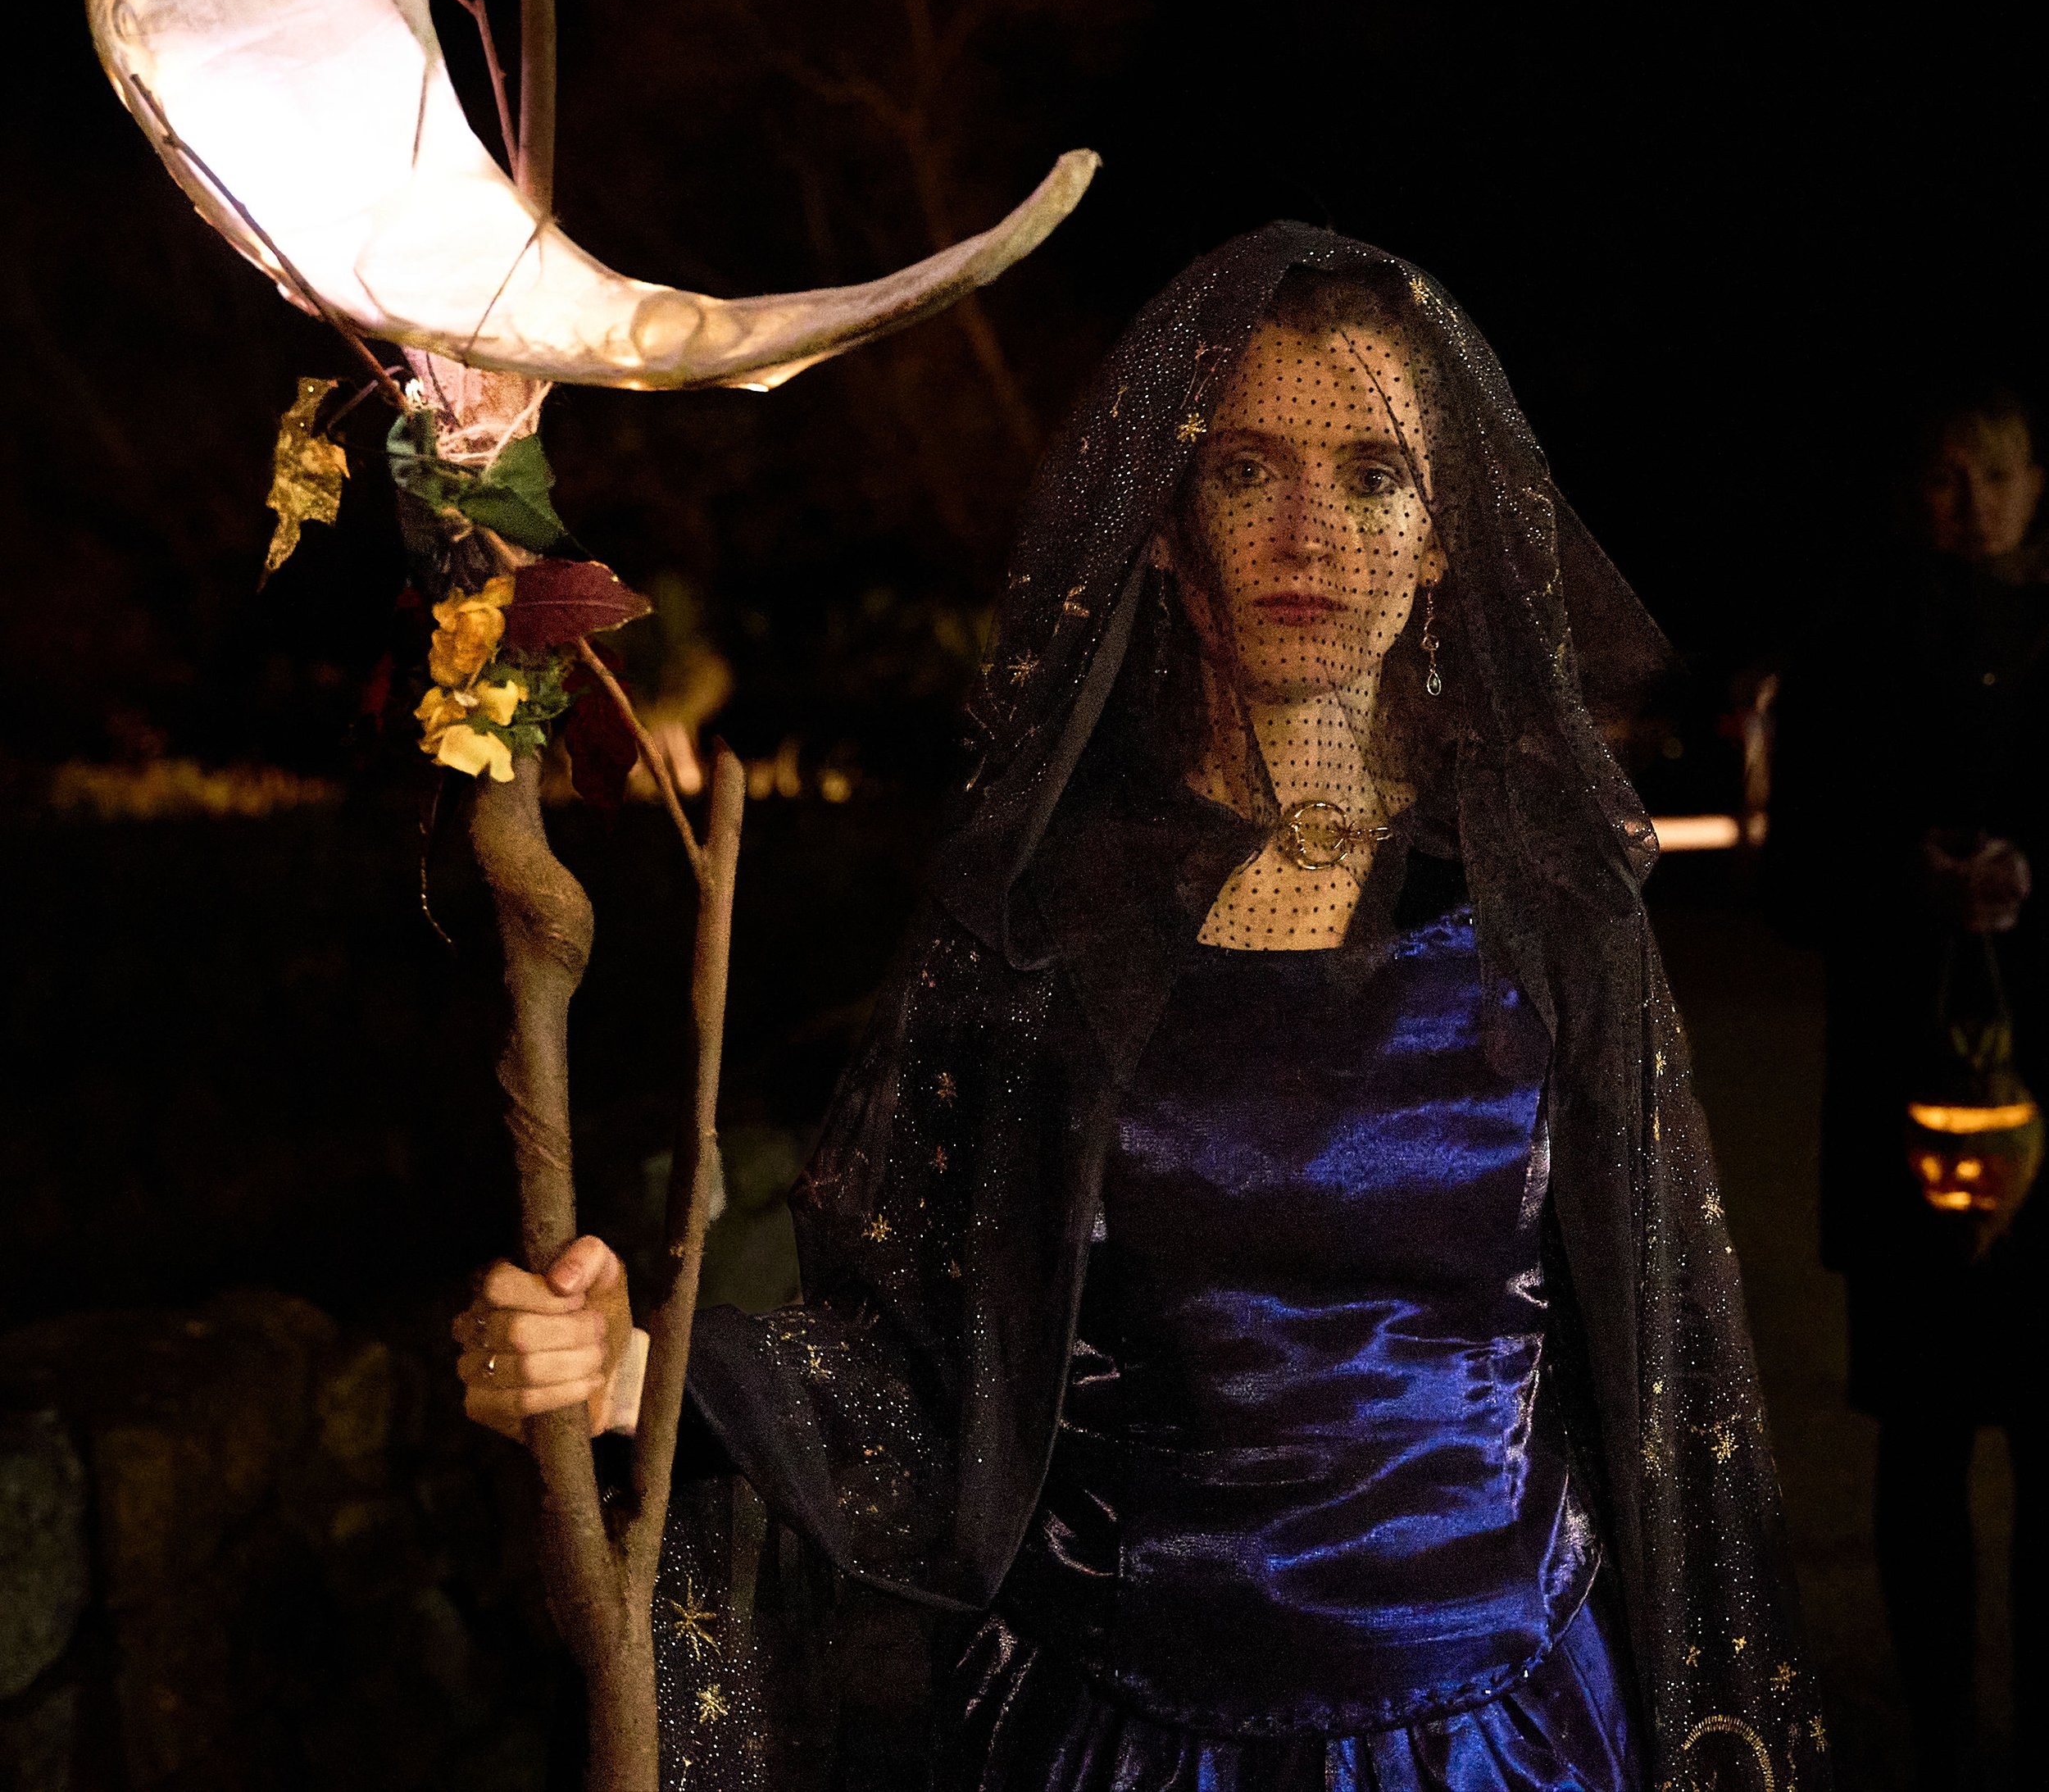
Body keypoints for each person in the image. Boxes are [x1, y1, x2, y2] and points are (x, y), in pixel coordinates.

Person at [456, 226, 1828, 1790]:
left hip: (1501, 1740)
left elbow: (1674, 1391)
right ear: (1171, 526)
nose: (1314, 528)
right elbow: (923, 1376)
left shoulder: (1551, 920)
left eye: (1375, 475)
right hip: (1116, 1745)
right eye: (1248, 468)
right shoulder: (1045, 927)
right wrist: (640, 1366)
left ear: (1449, 533)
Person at [1770, 376, 2047, 1790]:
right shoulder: (1852, 644)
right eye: (1948, 477)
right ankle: (1939, 1729)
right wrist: (1910, 883)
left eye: (1996, 474)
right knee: (1926, 1437)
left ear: (2037, 484)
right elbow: (1798, 861)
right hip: (1901, 1099)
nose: (1974, 504)